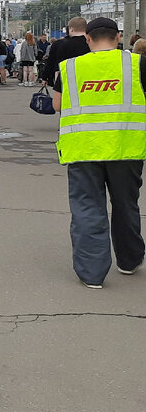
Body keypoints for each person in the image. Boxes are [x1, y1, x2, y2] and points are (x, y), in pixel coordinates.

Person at [52, 17, 146, 288]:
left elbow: (57, 105)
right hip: (126, 149)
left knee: (86, 209)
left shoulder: (70, 68)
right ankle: (128, 262)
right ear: (117, 37)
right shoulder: (137, 64)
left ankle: (92, 275)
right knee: (126, 206)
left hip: (82, 149)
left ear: (88, 39)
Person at [43, 17, 91, 90]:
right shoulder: (92, 43)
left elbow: (50, 62)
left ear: (71, 29)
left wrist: (45, 77)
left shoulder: (59, 44)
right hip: (88, 79)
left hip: (65, 80)